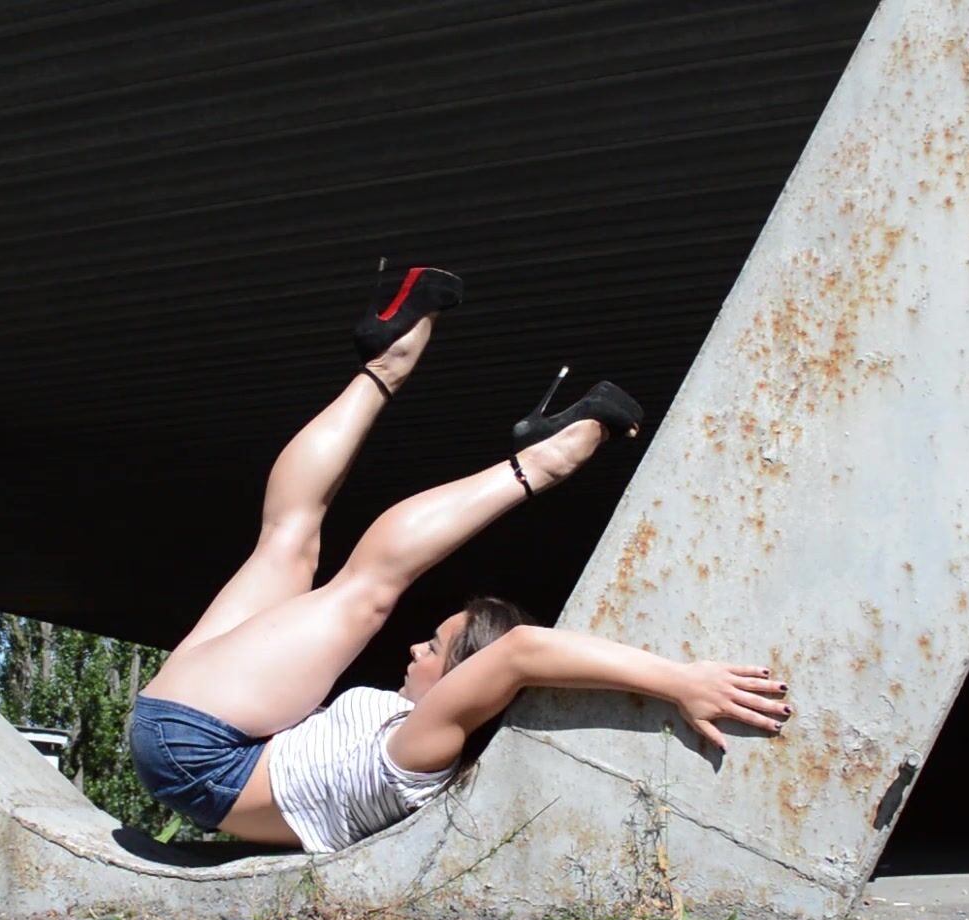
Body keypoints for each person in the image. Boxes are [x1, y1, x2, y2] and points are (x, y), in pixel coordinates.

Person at [132, 266, 791, 853]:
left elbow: (521, 652)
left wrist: (680, 682)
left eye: (435, 648)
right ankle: (386, 368)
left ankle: (528, 455)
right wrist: (677, 679)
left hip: (201, 751)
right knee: (291, 538)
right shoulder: (411, 736)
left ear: (462, 681)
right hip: (192, 731)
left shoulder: (421, 750)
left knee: (365, 587)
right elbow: (519, 651)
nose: (413, 648)